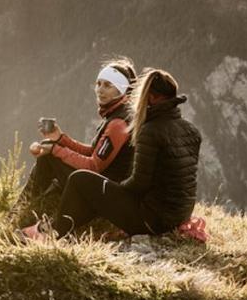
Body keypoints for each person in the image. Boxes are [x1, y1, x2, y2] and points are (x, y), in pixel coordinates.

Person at [46, 67, 201, 239]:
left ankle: (53, 232)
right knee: (95, 186)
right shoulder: (191, 130)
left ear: (150, 98)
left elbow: (139, 183)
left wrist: (113, 192)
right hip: (180, 216)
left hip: (152, 220)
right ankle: (58, 228)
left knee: (79, 178)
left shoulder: (150, 131)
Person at [16, 59, 136, 239]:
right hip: (104, 184)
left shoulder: (118, 124)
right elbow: (92, 152)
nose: (100, 90)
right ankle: (27, 207)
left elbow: (94, 166)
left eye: (108, 85)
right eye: (98, 84)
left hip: (104, 191)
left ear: (121, 90)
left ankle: (23, 209)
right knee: (48, 156)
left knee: (48, 158)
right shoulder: (117, 115)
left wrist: (56, 150)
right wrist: (60, 138)